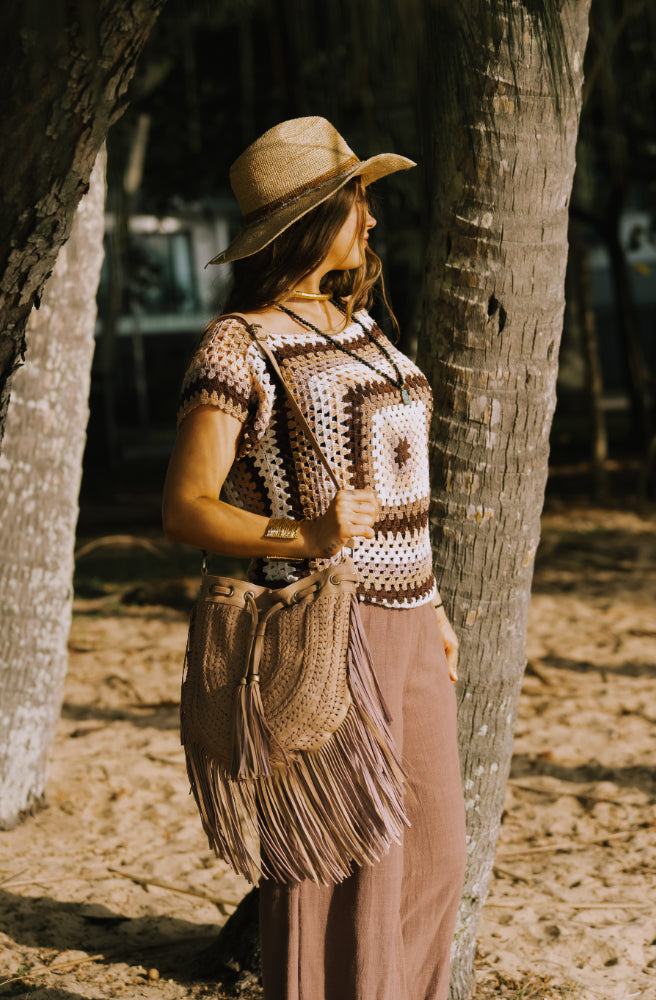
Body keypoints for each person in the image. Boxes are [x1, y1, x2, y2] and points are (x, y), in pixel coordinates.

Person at [162, 116, 467, 1000]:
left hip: (410, 625)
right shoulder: (239, 344)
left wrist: (436, 605)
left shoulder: (362, 326)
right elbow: (185, 508)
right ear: (309, 219)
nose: (371, 223)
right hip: (322, 628)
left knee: (436, 856)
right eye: (357, 202)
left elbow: (402, 492)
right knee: (335, 863)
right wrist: (304, 536)